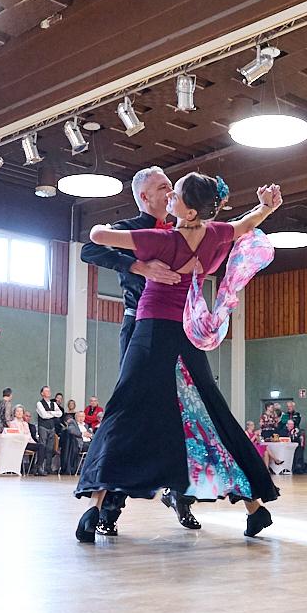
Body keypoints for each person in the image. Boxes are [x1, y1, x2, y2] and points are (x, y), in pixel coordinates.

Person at [73, 174, 282, 544]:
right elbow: (247, 223)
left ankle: (95, 507)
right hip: (187, 335)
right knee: (212, 414)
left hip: (151, 333)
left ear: (186, 209)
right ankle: (255, 508)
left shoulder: (162, 239)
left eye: (175, 192)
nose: (169, 195)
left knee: (125, 410)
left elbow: (96, 237)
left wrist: (129, 249)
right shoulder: (217, 234)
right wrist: (266, 205)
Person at [81, 166, 205, 536]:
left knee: (183, 410)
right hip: (140, 326)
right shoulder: (129, 229)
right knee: (130, 413)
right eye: (162, 187)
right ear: (144, 197)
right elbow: (90, 248)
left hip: (180, 329)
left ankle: (180, 493)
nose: (170, 192)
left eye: (171, 186)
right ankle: (109, 507)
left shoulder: (183, 228)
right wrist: (139, 265)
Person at [34, 386, 62, 476]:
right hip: (43, 427)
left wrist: (50, 413)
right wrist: (53, 413)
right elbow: (43, 415)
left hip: (52, 427)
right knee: (42, 446)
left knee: (50, 448)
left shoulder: (53, 404)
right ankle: (39, 467)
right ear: (42, 393)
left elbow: (60, 413)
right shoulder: (39, 403)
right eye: (46, 391)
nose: (48, 392)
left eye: (49, 391)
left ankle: (48, 467)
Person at [61, 410, 90, 475]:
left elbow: (92, 434)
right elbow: (71, 430)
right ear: (76, 417)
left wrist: (90, 435)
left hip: (89, 442)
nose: (81, 418)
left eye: (83, 416)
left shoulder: (86, 425)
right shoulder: (72, 423)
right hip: (80, 444)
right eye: (79, 416)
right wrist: (82, 434)